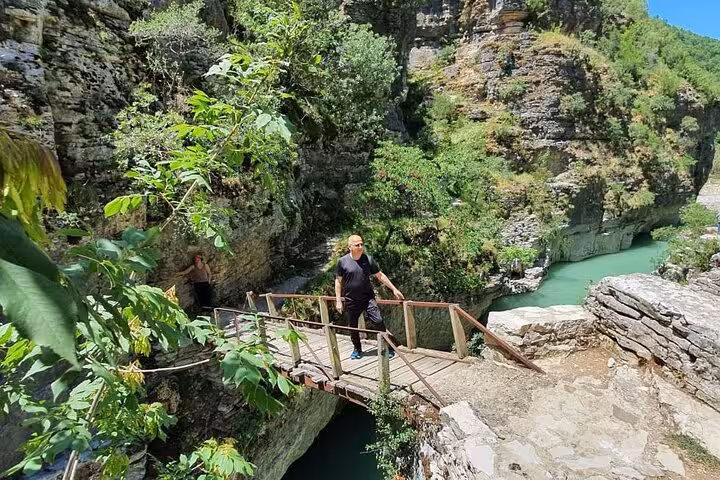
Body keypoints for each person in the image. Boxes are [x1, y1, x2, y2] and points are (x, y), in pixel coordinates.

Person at [335, 235, 404, 360]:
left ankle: (387, 346)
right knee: (353, 326)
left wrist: (394, 289)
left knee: (378, 321)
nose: (360, 247)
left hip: (367, 298)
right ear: (350, 247)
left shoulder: (368, 260)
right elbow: (338, 281)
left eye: (362, 244)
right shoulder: (342, 262)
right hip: (351, 300)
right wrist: (338, 300)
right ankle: (357, 349)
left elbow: (380, 275)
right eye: (357, 245)